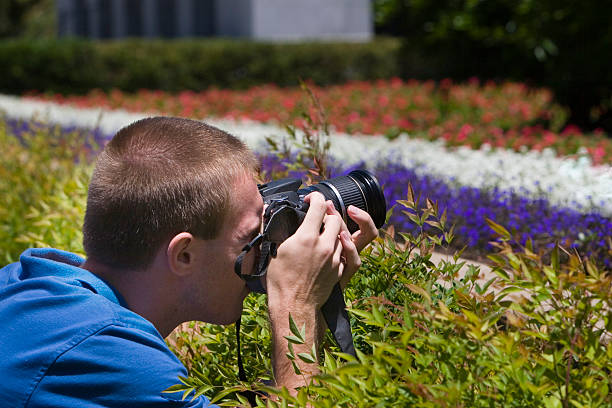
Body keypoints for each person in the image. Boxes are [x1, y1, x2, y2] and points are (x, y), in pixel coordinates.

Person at [0, 117, 378, 407]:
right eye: (252, 237)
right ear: (183, 254)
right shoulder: (110, 358)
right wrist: (297, 304)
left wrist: (314, 300)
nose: (270, 249)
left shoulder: (25, 285)